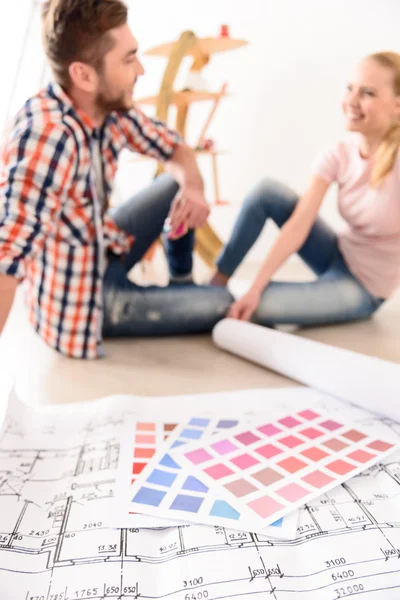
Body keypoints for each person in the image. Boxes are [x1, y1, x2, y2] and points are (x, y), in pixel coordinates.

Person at [0, 0, 232, 359]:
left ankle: (180, 282)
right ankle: (179, 295)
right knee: (222, 302)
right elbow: (4, 263)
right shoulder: (49, 137)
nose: (140, 69)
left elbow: (176, 148)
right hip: (85, 304)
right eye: (129, 59)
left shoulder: (108, 106)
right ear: (84, 75)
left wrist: (194, 188)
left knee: (174, 183)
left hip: (103, 245)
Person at [210, 51, 400, 328]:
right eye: (350, 89)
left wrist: (257, 295)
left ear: (397, 105)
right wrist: (256, 286)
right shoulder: (339, 154)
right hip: (336, 253)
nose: (352, 101)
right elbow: (299, 223)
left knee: (260, 309)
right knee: (266, 192)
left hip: (364, 288)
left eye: (368, 93)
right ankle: (218, 281)